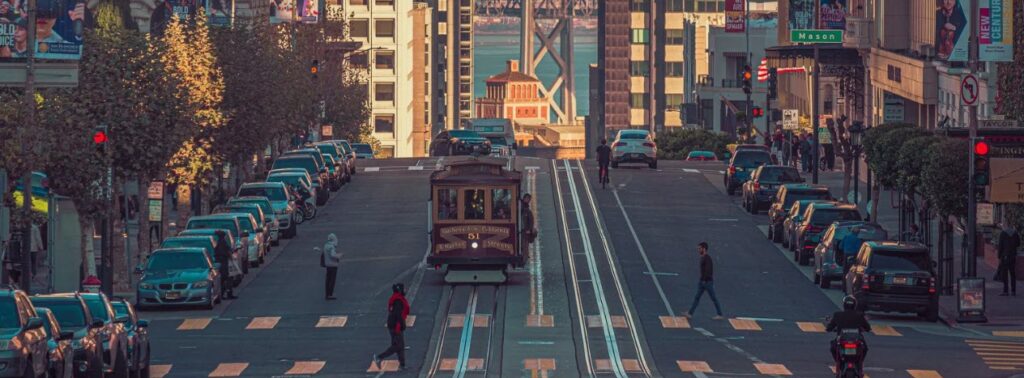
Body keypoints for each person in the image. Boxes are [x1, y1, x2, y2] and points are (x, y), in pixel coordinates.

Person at [373, 283, 410, 371]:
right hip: (396, 325)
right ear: (400, 290)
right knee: (397, 346)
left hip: (393, 324)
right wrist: (402, 325)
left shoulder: (396, 298)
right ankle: (379, 357)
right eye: (403, 289)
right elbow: (398, 315)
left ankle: (402, 365)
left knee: (400, 345)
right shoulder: (398, 301)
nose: (405, 290)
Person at [826, 296, 871, 363]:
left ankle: (839, 363)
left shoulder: (837, 315)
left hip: (842, 339)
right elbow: (868, 328)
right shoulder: (859, 315)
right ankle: (859, 363)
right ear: (855, 305)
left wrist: (829, 328)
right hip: (856, 339)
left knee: (833, 348)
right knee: (864, 349)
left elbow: (829, 328)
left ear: (844, 305)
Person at [684, 242, 723, 319]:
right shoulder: (704, 257)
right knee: (697, 297)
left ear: (704, 249)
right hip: (703, 282)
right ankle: (690, 313)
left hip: (707, 282)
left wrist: (704, 280)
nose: (698, 250)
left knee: (713, 298)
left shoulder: (707, 258)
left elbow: (708, 270)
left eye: (699, 248)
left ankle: (720, 314)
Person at [998, 223, 1021, 296]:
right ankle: (1013, 291)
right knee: (1012, 273)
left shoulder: (1003, 233)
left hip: (1005, 256)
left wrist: (999, 256)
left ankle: (1005, 291)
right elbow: (1018, 244)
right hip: (1013, 255)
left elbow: (1000, 245)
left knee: (1005, 273)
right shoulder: (1015, 233)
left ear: (1005, 226)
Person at [214, 230, 235, 299]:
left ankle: (225, 294)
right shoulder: (222, 243)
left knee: (224, 279)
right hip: (223, 263)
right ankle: (226, 294)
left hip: (222, 262)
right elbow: (228, 252)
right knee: (226, 278)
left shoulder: (219, 243)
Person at [320, 233, 341, 300]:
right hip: (333, 265)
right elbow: (332, 255)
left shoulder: (326, 245)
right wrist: (339, 255)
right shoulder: (332, 246)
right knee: (332, 280)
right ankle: (330, 294)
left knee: (328, 279)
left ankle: (327, 294)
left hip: (327, 265)